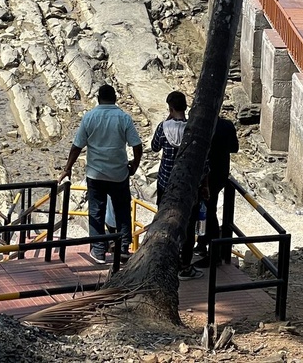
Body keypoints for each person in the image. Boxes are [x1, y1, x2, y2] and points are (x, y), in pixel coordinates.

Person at [60, 84, 142, 265]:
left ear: (98, 98)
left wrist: (68, 168)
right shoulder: (123, 118)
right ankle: (123, 249)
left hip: (95, 174)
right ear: (115, 98)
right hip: (118, 174)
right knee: (122, 212)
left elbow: (77, 146)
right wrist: (134, 165)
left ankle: (98, 251)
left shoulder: (89, 117)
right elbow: (137, 145)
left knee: (96, 212)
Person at [150, 91, 203, 279]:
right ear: (186, 107)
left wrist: (167, 119)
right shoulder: (192, 129)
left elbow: (154, 146)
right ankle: (185, 265)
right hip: (187, 184)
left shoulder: (163, 127)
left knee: (163, 220)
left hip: (165, 180)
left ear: (170, 108)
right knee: (188, 226)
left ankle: (161, 260)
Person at [195, 116, 240, 267]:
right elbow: (235, 148)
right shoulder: (227, 125)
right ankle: (203, 244)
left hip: (206, 175)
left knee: (206, 211)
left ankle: (211, 253)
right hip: (221, 174)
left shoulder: (202, 124)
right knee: (209, 210)